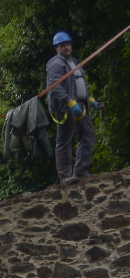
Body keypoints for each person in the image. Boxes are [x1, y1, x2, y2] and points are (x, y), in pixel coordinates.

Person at [46, 31, 98, 182]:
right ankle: (65, 177)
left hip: (81, 106)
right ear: (57, 48)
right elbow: (54, 86)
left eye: (68, 44)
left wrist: (91, 100)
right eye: (63, 45)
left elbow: (78, 85)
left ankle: (81, 172)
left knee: (88, 135)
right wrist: (69, 101)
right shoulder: (55, 63)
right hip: (65, 108)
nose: (67, 47)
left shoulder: (74, 62)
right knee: (64, 141)